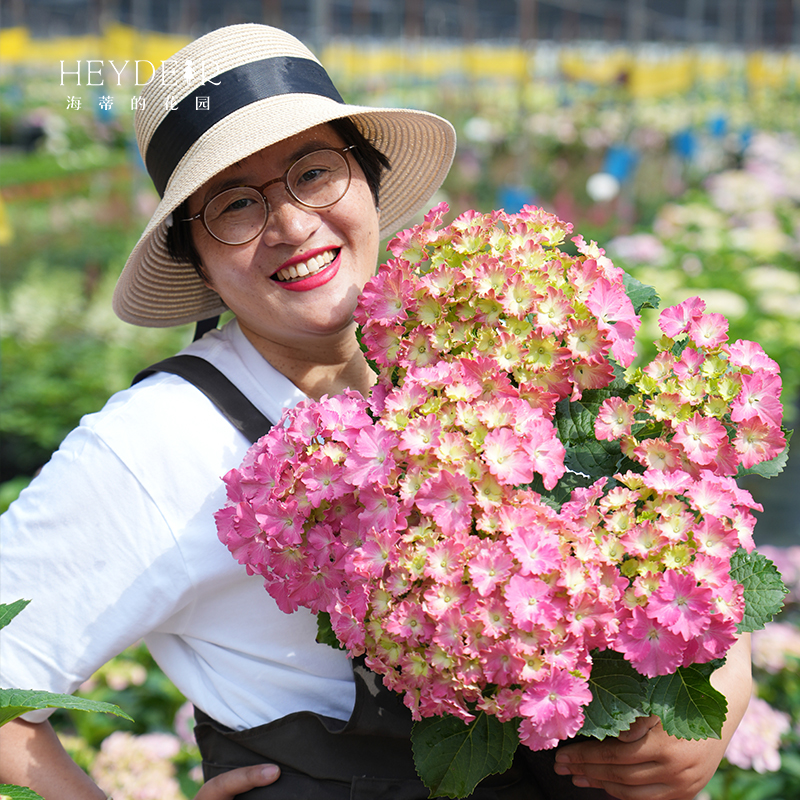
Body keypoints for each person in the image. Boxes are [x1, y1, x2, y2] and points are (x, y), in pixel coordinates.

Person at [0, 23, 751, 800]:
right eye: (233, 205)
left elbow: (689, 531)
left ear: (368, 178)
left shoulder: (480, 339)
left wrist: (725, 693)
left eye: (315, 172)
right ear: (195, 254)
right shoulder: (154, 444)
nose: (292, 225)